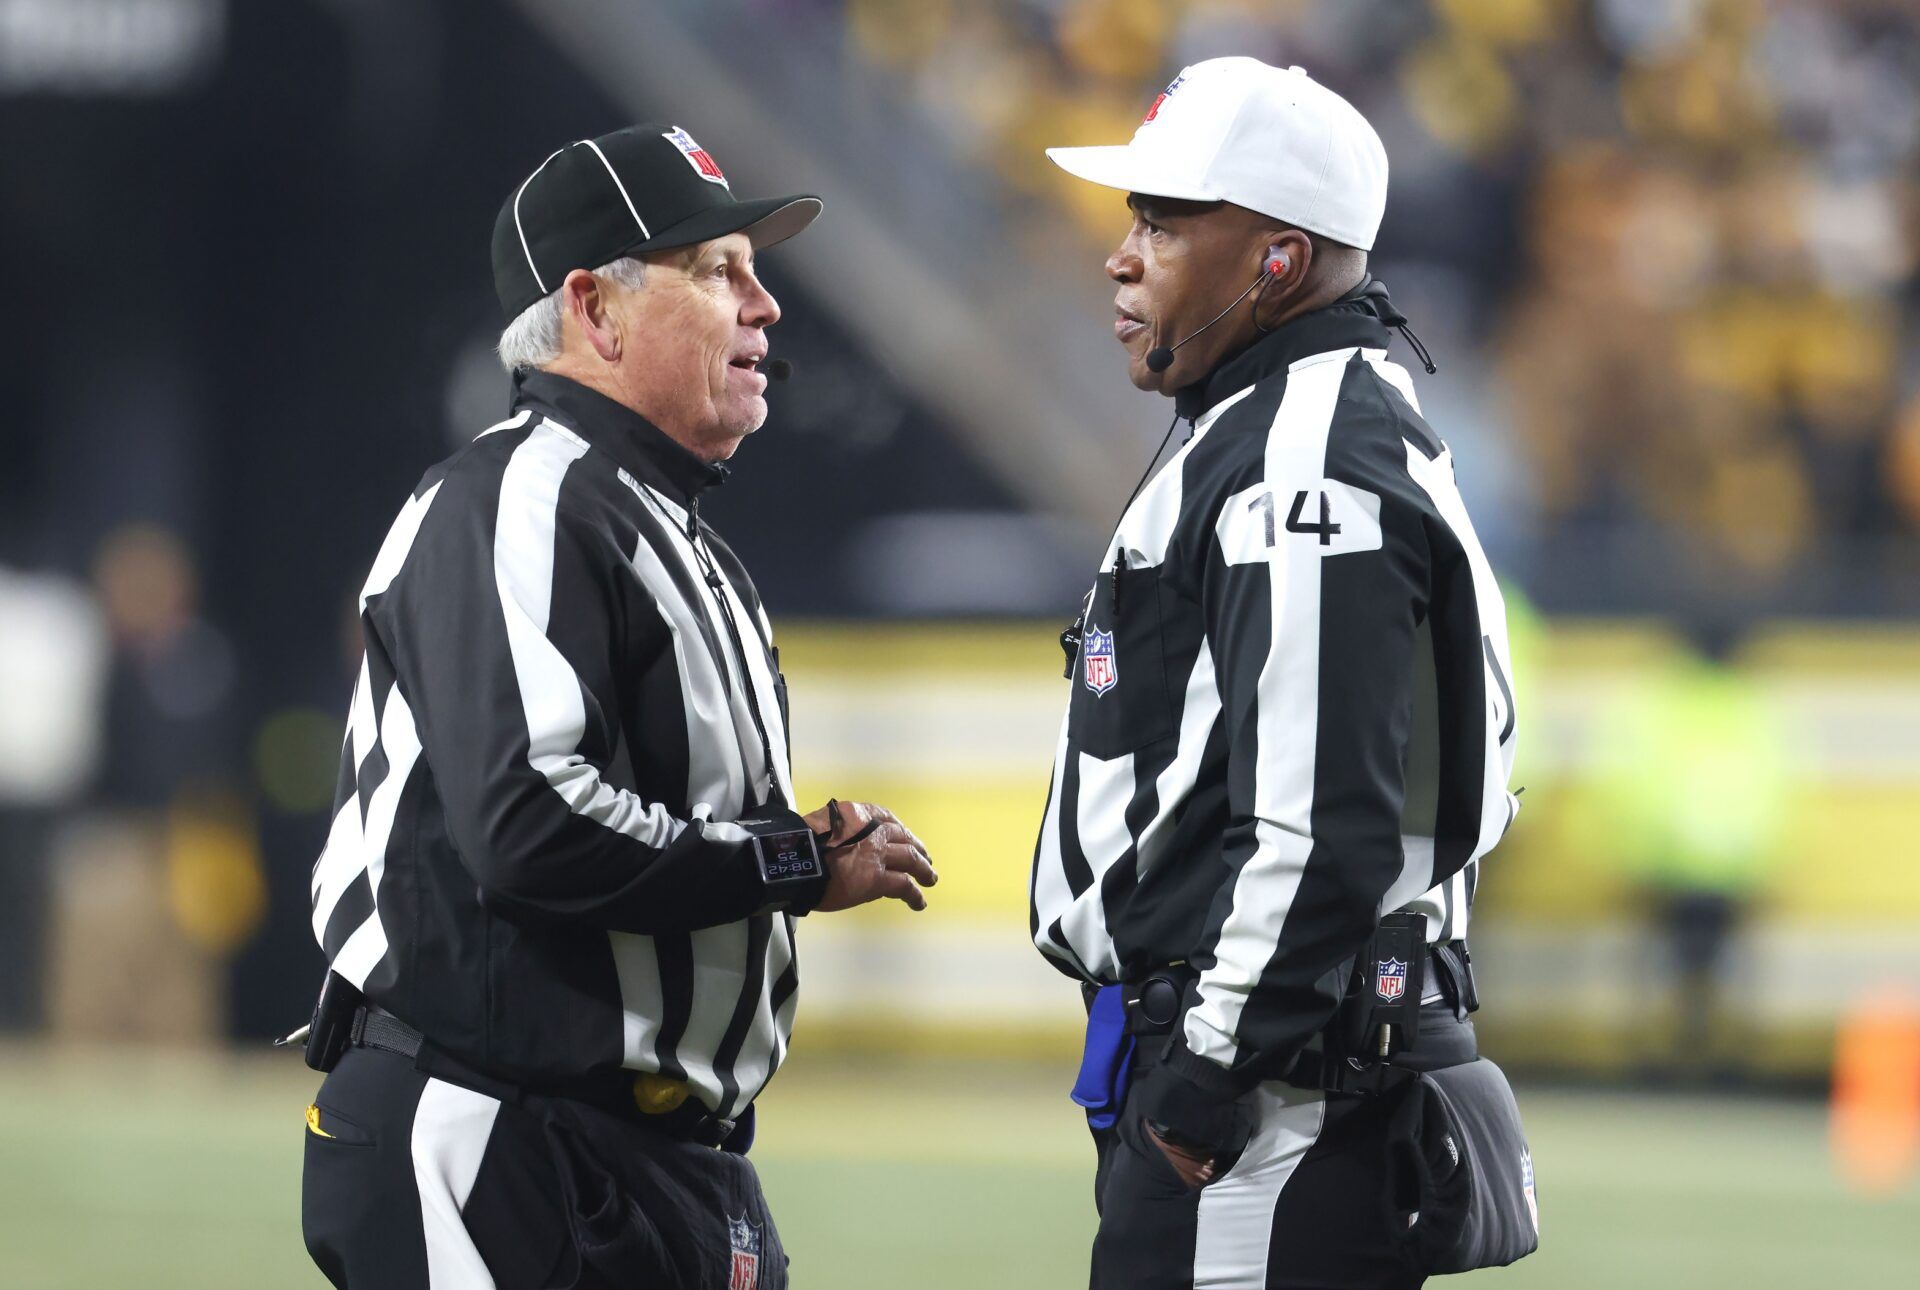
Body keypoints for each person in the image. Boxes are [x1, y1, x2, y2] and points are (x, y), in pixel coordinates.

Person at [298, 122, 936, 1290]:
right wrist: (788, 863)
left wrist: (790, 859)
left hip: (652, 1152)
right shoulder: (515, 495)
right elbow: (529, 823)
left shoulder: (671, 534)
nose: (767, 307)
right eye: (718, 270)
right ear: (596, 309)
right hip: (499, 1132)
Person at [1031, 59, 1532, 1287]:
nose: (1123, 254)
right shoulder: (1289, 420)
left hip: (1276, 1104)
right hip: (1282, 1075)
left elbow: (1321, 817)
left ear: (1278, 260)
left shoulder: (1303, 456)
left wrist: (1210, 1068)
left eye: (1162, 220)